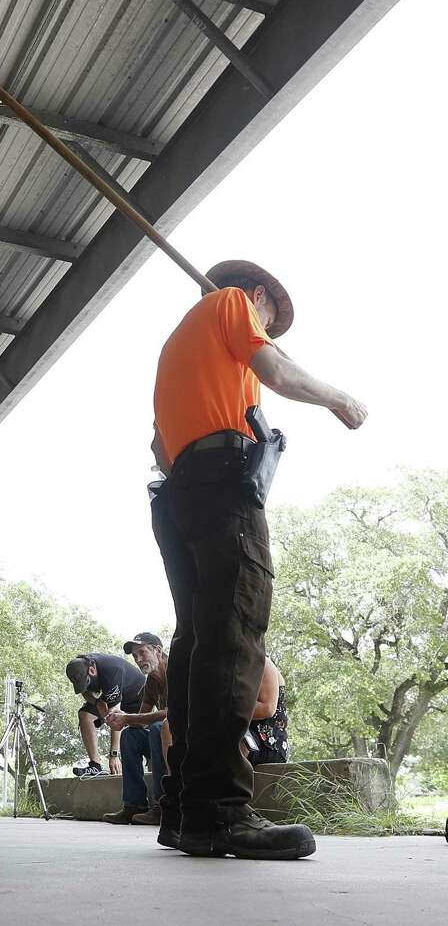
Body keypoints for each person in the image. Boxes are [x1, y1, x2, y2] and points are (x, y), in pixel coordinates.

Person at [151, 260, 366, 860]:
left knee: (195, 645)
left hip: (176, 495)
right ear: (259, 297)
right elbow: (277, 370)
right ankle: (220, 812)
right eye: (270, 319)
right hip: (222, 487)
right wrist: (337, 398)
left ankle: (183, 811)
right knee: (235, 636)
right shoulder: (232, 306)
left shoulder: (179, 345)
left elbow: (156, 442)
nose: (266, 330)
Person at [102, 633, 169, 825]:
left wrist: (129, 718)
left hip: (184, 740)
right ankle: (134, 805)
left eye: (142, 652)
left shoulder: (178, 671)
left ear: (157, 650)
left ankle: (162, 806)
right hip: (163, 739)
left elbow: (173, 714)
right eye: (134, 656)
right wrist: (120, 719)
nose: (138, 660)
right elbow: (140, 720)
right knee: (131, 735)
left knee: (158, 728)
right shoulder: (151, 682)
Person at [64, 652, 145, 778]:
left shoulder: (112, 671)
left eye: (87, 681)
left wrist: (113, 755)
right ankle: (95, 766)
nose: (86, 685)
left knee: (137, 733)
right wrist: (97, 702)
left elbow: (115, 718)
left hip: (136, 698)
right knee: (85, 715)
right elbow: (84, 691)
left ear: (92, 670)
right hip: (111, 695)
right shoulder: (81, 666)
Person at [244, 656, 289, 765]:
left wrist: (223, 707)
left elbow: (267, 708)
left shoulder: (263, 664)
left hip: (269, 745)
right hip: (247, 735)